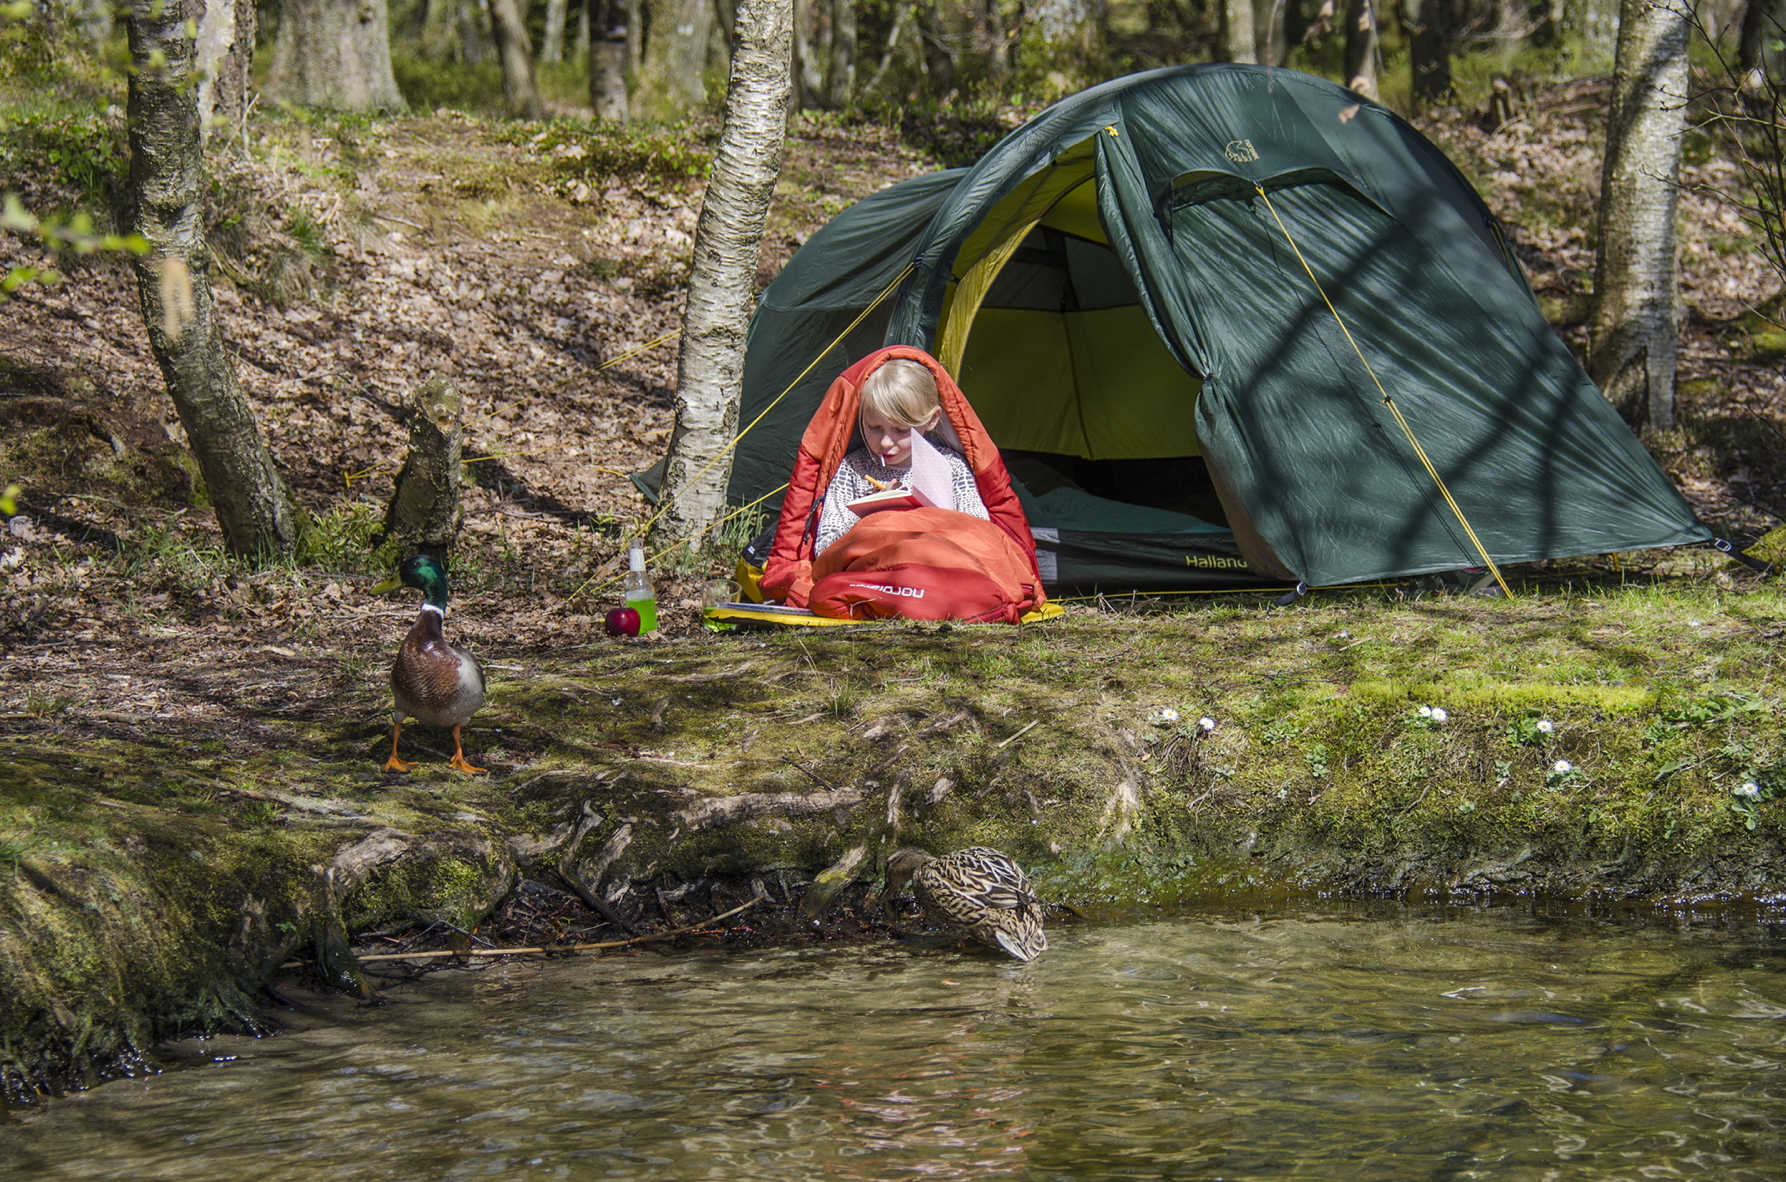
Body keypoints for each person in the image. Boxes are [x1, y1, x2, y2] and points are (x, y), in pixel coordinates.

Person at [812, 358, 990, 556]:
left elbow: (980, 535)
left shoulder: (950, 467)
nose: (886, 442)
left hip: (932, 571)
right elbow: (824, 549)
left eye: (900, 429)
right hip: (871, 575)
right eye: (875, 427)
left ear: (932, 420)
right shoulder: (854, 469)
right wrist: (872, 514)